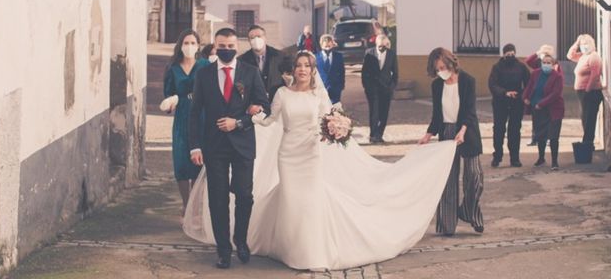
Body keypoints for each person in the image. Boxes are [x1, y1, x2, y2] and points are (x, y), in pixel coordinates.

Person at [184, 51, 457, 270]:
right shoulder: (281, 93)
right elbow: (269, 120)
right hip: (288, 154)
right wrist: (252, 115)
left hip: (311, 154)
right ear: (293, 69)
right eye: (299, 65)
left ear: (313, 70)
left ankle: (309, 252)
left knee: (310, 201)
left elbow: (330, 119)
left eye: (307, 65)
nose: (303, 69)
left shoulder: (318, 95)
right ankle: (290, 248)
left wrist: (339, 128)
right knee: (292, 200)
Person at [188, 28, 270, 269]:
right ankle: (223, 250)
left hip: (243, 144)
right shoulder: (203, 74)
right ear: (215, 47)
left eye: (231, 46)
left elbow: (265, 107)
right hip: (214, 146)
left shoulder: (250, 72)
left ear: (237, 46)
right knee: (218, 198)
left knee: (244, 195)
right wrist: (195, 146)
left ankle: (240, 240)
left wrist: (241, 122)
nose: (226, 50)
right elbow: (195, 113)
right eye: (221, 46)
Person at [418, 47, 484, 236]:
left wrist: (462, 130)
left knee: (475, 176)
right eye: (437, 69)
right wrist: (428, 134)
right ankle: (447, 225)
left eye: (442, 67)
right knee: (448, 180)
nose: (441, 72)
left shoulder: (468, 80)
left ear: (450, 63)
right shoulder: (437, 85)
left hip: (467, 130)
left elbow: (469, 111)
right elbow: (437, 115)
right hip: (446, 131)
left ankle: (469, 211)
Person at [163, 30, 210, 218]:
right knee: (182, 162)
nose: (189, 46)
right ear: (180, 45)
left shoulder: (205, 65)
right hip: (182, 115)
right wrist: (170, 103)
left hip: (203, 114)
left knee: (199, 164)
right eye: (186, 42)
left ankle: (196, 206)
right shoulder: (173, 68)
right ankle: (186, 204)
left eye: (193, 43)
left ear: (198, 46)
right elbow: (168, 94)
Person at [488, 43, 530, 167]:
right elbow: (492, 84)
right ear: (504, 54)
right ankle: (497, 156)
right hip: (500, 102)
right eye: (508, 54)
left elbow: (528, 83)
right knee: (499, 130)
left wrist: (522, 95)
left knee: (515, 131)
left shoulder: (521, 67)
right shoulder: (497, 67)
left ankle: (515, 158)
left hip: (517, 102)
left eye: (512, 54)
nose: (510, 56)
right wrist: (505, 93)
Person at [522, 54, 565, 170]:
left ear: (553, 64)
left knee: (553, 136)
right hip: (537, 109)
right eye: (544, 62)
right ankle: (541, 158)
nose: (546, 65)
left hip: (553, 110)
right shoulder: (535, 74)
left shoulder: (557, 77)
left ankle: (555, 162)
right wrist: (525, 97)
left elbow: (555, 94)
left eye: (548, 63)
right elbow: (529, 87)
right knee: (540, 135)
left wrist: (541, 103)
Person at [361, 34, 399, 143]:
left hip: (386, 88)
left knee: (384, 113)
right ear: (376, 44)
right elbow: (364, 72)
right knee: (374, 112)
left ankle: (379, 134)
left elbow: (395, 73)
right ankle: (373, 135)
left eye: (385, 45)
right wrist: (366, 86)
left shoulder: (391, 54)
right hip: (372, 89)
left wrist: (392, 86)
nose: (382, 47)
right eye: (380, 45)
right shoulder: (369, 53)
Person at [567, 34, 603, 145]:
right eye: (582, 44)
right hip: (582, 92)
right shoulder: (583, 56)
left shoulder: (593, 56)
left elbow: (595, 74)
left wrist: (587, 90)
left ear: (591, 44)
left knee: (589, 119)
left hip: (591, 92)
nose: (584, 46)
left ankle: (587, 143)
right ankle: (587, 142)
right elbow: (570, 55)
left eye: (586, 44)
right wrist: (577, 43)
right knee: (584, 118)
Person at [524, 44, 563, 146]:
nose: (545, 63)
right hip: (537, 97)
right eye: (544, 54)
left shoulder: (555, 66)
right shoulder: (538, 63)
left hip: (548, 98)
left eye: (547, 54)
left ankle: (548, 139)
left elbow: (558, 85)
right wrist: (538, 53)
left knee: (549, 120)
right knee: (536, 120)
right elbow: (528, 61)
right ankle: (535, 138)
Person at [238, 25, 285, 98]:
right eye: (252, 38)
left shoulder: (280, 56)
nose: (256, 40)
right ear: (249, 41)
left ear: (265, 38)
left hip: (277, 100)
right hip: (254, 104)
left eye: (259, 36)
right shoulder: (242, 60)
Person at [315, 34, 345, 103]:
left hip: (335, 88)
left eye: (329, 46)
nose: (328, 48)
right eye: (325, 46)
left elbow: (342, 71)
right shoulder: (316, 57)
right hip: (321, 88)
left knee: (335, 108)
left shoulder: (338, 56)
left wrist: (341, 86)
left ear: (332, 45)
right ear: (321, 45)